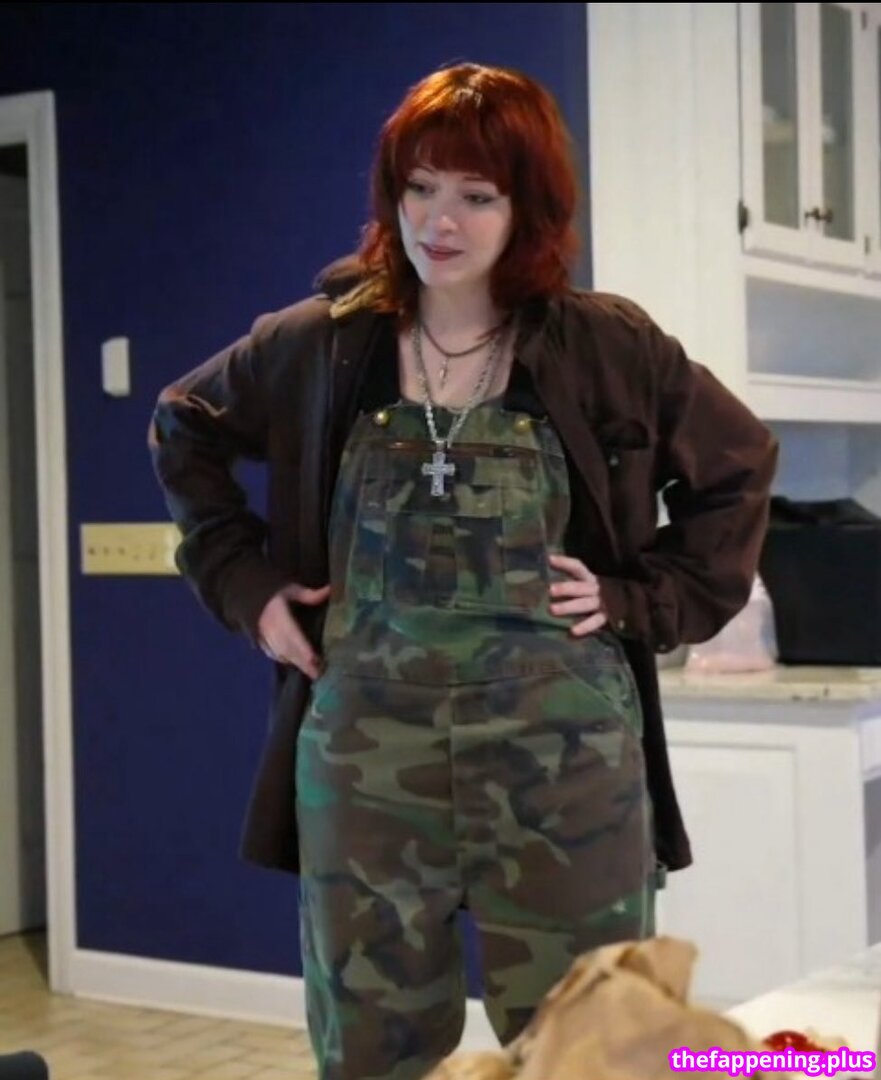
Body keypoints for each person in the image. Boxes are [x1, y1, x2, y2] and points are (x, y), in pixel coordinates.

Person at [149, 62, 777, 1080]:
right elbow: (184, 428)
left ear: (528, 208)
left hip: (565, 767)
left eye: (476, 195)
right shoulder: (317, 346)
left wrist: (642, 598)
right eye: (418, 187)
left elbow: (737, 465)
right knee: (371, 1054)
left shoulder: (605, 347)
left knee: (588, 1050)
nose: (438, 221)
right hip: (365, 770)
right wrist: (246, 589)